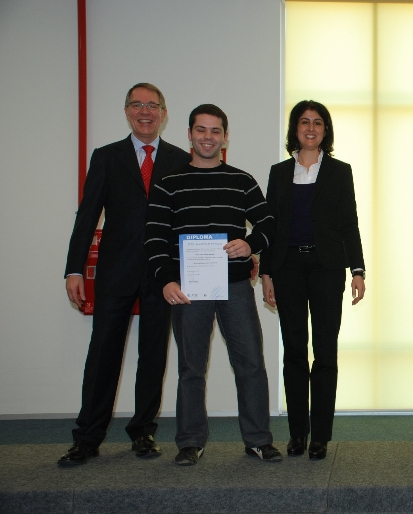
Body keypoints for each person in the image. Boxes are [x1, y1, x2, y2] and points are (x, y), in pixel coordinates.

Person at [60, 83, 190, 466]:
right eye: (137, 104)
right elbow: (87, 216)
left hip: (163, 274)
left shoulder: (181, 160)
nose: (145, 111)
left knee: (153, 355)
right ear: (127, 111)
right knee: (103, 353)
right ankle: (87, 437)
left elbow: (191, 219)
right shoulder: (106, 157)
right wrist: (74, 269)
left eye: (152, 105)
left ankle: (143, 432)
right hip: (115, 271)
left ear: (163, 113)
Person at [144, 104, 280, 465]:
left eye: (215, 131)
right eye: (201, 130)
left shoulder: (241, 180)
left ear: (225, 137)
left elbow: (269, 223)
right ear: (189, 134)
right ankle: (190, 442)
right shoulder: (168, 184)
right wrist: (165, 280)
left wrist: (251, 244)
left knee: (251, 364)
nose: (208, 137)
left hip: (235, 287)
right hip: (188, 290)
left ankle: (258, 440)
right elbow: (154, 238)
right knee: (191, 369)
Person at [260, 100, 365, 460]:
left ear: (325, 130)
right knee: (294, 351)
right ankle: (297, 434)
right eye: (304, 122)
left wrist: (358, 270)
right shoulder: (278, 172)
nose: (310, 128)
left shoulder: (339, 171)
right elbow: (270, 225)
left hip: (327, 268)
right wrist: (266, 273)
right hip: (287, 267)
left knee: (325, 351)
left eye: (317, 122)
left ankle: (320, 435)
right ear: (295, 128)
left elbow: (349, 223)